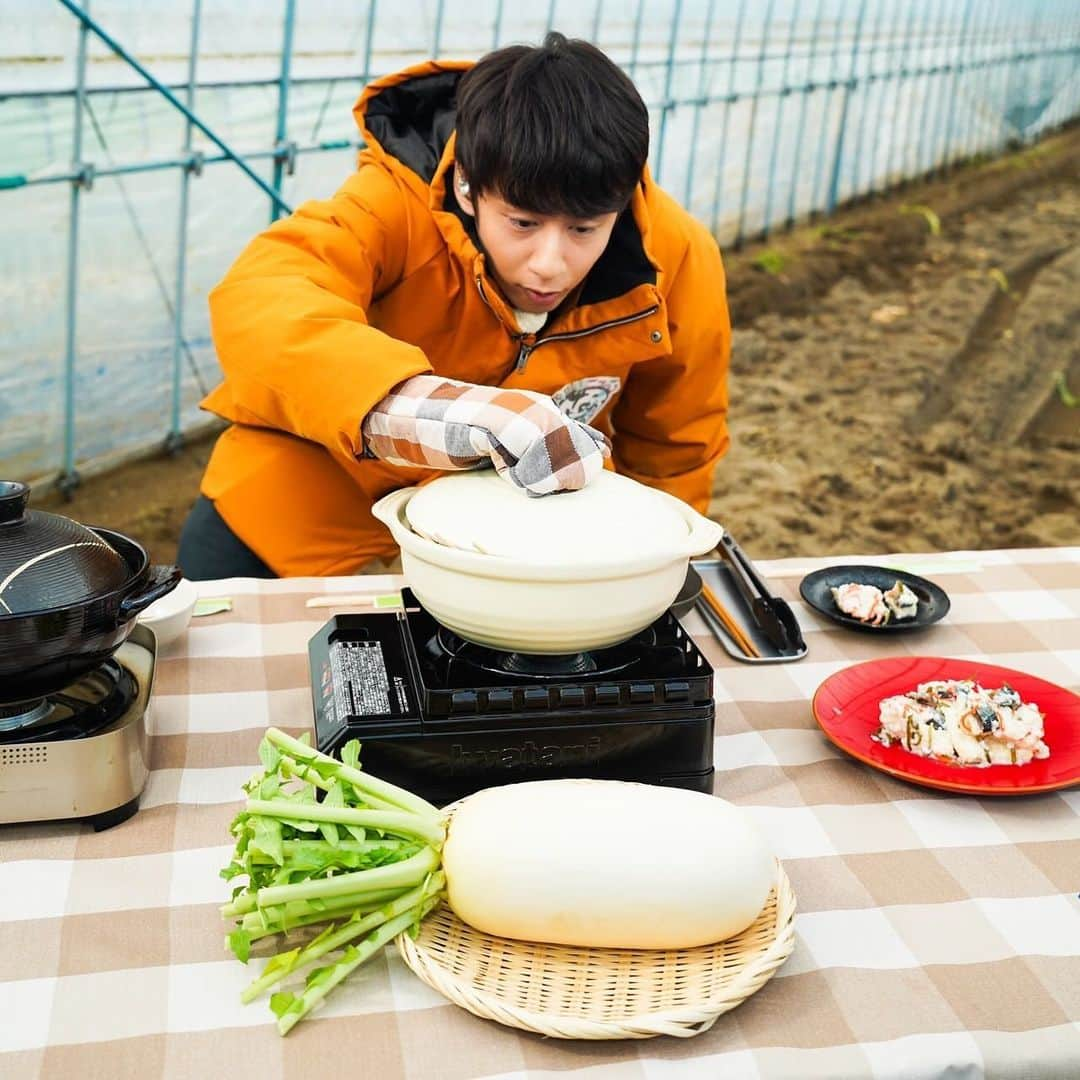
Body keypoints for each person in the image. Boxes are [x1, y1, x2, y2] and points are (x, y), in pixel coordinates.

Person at [177, 32, 731, 580]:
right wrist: (432, 410)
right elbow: (268, 299)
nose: (549, 262)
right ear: (467, 186)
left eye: (585, 229)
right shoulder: (392, 205)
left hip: (517, 542)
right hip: (311, 502)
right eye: (523, 222)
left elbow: (675, 443)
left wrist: (654, 560)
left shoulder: (676, 258)